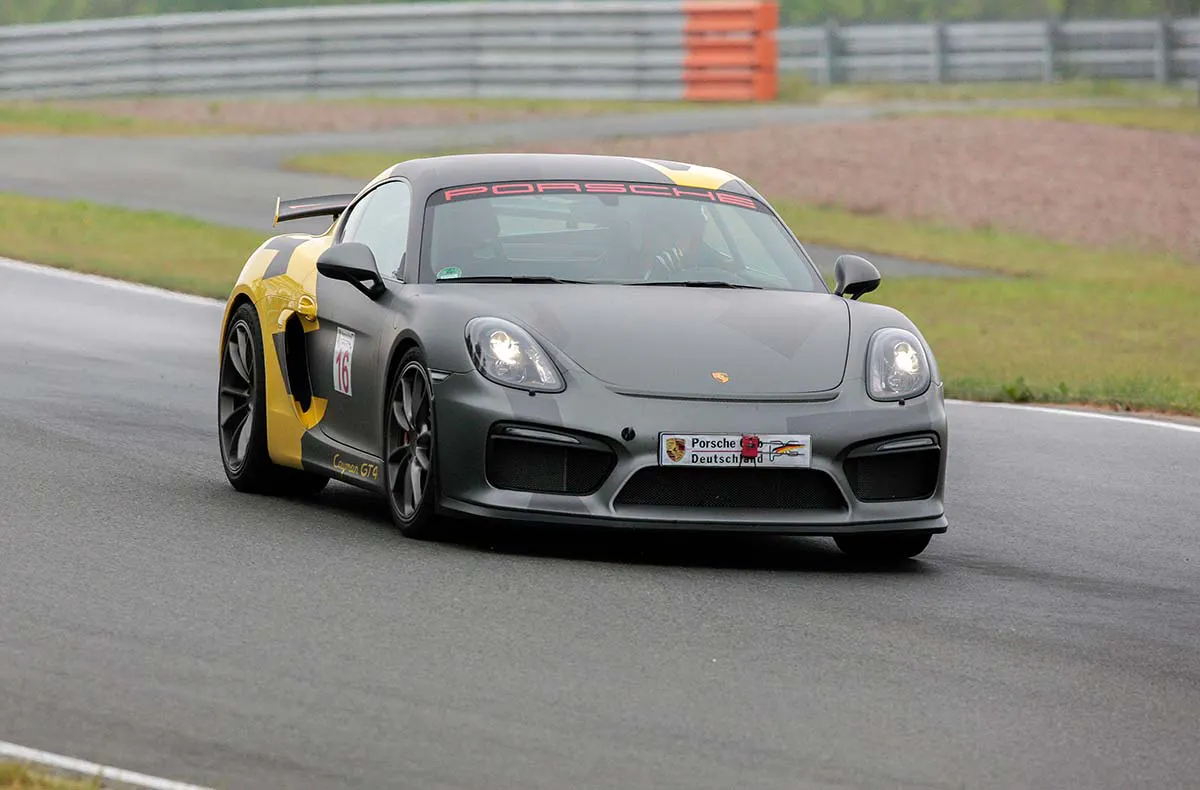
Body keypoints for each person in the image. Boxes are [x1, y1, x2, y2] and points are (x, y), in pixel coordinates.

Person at [640, 199, 737, 281]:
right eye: (696, 218)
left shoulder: (715, 259)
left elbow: (734, 276)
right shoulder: (663, 260)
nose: (703, 222)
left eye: (702, 218)